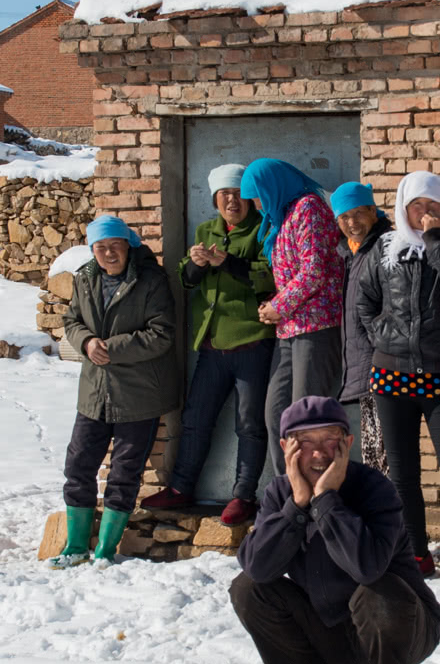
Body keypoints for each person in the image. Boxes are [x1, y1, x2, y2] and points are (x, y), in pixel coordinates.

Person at [231, 396, 440, 664]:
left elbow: (367, 568)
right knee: (247, 588)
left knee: (377, 588)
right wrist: (297, 505)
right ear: (285, 447)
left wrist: (326, 500)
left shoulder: (375, 488)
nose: (319, 454)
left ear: (347, 443)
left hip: (406, 630)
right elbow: (258, 568)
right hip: (330, 630)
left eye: (329, 440)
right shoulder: (279, 493)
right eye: (305, 442)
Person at [353, 171, 440, 579]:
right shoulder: (384, 249)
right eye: (418, 205)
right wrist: (384, 335)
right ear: (403, 207)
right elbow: (364, 302)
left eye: (434, 205)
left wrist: (434, 238)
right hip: (391, 375)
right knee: (403, 473)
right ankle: (415, 555)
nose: (426, 212)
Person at [141, 163, 275, 525]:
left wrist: (227, 262)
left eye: (239, 194)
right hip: (212, 344)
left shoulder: (263, 230)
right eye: (224, 195)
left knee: (249, 424)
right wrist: (197, 264)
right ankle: (180, 487)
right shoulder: (206, 230)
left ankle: (243, 495)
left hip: (251, 342)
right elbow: (186, 279)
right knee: (196, 419)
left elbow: (269, 277)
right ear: (215, 199)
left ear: (250, 198)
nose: (232, 201)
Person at [49, 215, 178, 568]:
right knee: (78, 464)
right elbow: (72, 320)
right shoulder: (85, 279)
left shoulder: (150, 280)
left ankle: (106, 549)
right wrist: (87, 342)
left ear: (128, 246)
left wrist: (111, 348)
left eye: (115, 246)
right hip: (94, 392)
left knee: (124, 472)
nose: (108, 254)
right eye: (101, 247)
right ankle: (76, 545)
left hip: (138, 393)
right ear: (92, 250)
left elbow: (161, 333)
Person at [238, 158, 346, 483]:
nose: (256, 205)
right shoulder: (283, 216)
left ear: (273, 187)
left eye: (257, 197)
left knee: (307, 420)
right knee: (277, 415)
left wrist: (279, 306)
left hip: (316, 327)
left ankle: (318, 498)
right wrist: (274, 306)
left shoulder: (308, 209)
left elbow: (314, 270)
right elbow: (290, 274)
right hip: (289, 329)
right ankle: (288, 492)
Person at [330, 180, 391, 479]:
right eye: (344, 217)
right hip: (365, 365)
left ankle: (387, 506)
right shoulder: (351, 253)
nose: (352, 223)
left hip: (382, 363)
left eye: (358, 213)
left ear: (373, 211)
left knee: (382, 451)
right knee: (374, 450)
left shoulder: (384, 248)